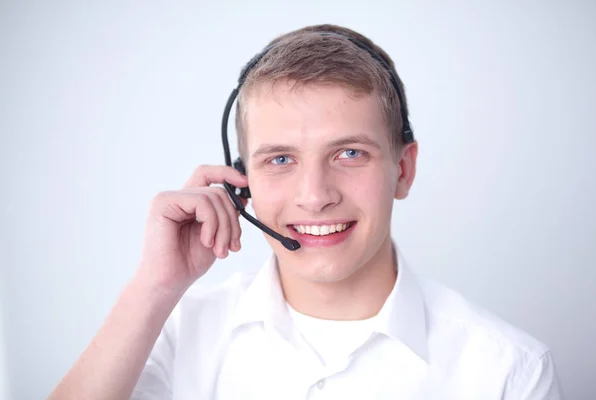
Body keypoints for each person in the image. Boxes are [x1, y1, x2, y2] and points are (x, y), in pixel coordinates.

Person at [49, 24, 562, 399]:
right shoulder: (177, 332)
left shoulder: (509, 372)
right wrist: (154, 286)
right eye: (280, 159)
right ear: (239, 181)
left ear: (403, 170)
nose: (314, 195)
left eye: (349, 154)